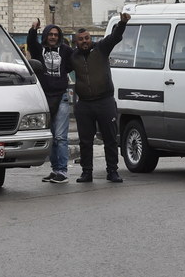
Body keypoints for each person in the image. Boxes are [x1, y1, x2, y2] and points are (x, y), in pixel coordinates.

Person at [72, 11, 130, 183]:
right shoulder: (72, 57)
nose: (85, 41)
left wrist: (122, 23)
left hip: (105, 102)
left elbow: (115, 37)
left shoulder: (101, 48)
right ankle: (86, 172)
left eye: (87, 38)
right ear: (76, 42)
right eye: (81, 39)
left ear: (90, 39)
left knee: (110, 139)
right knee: (85, 141)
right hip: (84, 105)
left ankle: (112, 171)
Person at [27, 19, 73, 184]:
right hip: (44, 98)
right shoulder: (39, 51)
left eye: (56, 34)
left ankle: (63, 171)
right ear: (45, 36)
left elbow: (73, 63)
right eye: (50, 34)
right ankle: (55, 170)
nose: (53, 37)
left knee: (61, 136)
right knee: (52, 137)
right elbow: (31, 42)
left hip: (61, 97)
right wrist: (33, 29)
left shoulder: (66, 51)